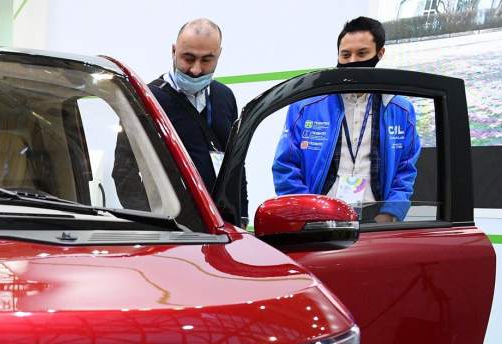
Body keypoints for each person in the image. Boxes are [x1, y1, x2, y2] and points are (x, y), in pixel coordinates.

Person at [272, 16, 420, 223]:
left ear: (380, 53)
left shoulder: (400, 110)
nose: (352, 62)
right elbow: (285, 166)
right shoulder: (307, 105)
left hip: (375, 218)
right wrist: (307, 213)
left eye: (362, 54)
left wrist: (390, 213)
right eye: (346, 55)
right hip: (318, 216)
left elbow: (406, 169)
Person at [113, 19, 243, 214]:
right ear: (173, 51)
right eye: (188, 58)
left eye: (206, 60)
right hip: (170, 224)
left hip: (219, 223)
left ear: (219, 55)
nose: (196, 70)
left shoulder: (225, 97)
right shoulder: (146, 100)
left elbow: (236, 164)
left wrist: (241, 215)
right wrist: (151, 220)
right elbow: (124, 171)